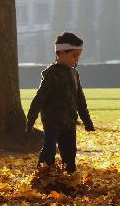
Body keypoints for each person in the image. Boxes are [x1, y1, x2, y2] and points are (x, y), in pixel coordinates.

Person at [26, 31, 95, 173]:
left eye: (78, 57)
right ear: (61, 52)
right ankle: (42, 175)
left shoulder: (74, 74)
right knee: (49, 150)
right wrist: (31, 119)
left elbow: (80, 99)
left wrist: (87, 121)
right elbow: (40, 97)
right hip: (52, 121)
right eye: (74, 56)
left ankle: (70, 177)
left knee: (70, 152)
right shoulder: (52, 74)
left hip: (69, 121)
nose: (76, 60)